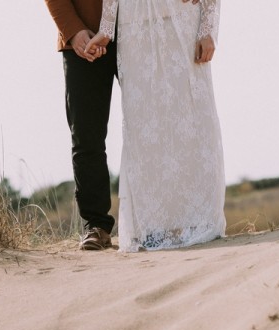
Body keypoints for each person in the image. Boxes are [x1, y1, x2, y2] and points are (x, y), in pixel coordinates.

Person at [44, 0, 201, 250]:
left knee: (154, 126)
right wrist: (73, 31)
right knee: (86, 134)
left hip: (139, 31)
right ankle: (96, 225)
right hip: (83, 39)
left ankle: (158, 221)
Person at [85, 0, 226, 252]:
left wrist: (207, 30)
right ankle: (153, 226)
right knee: (145, 127)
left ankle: (196, 219)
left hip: (182, 21)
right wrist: (107, 30)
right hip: (133, 27)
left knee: (191, 118)